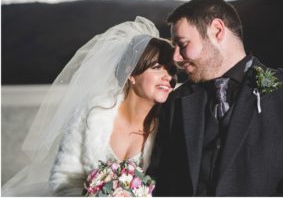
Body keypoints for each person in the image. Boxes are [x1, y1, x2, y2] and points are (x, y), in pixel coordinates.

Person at [2, 16, 176, 196]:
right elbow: (64, 178)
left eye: (171, 69)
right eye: (157, 67)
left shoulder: (170, 123)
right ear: (131, 73)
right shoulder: (92, 113)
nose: (168, 77)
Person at [147, 0, 283, 196]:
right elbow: (161, 179)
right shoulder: (176, 101)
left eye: (182, 44)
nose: (176, 57)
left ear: (217, 30)